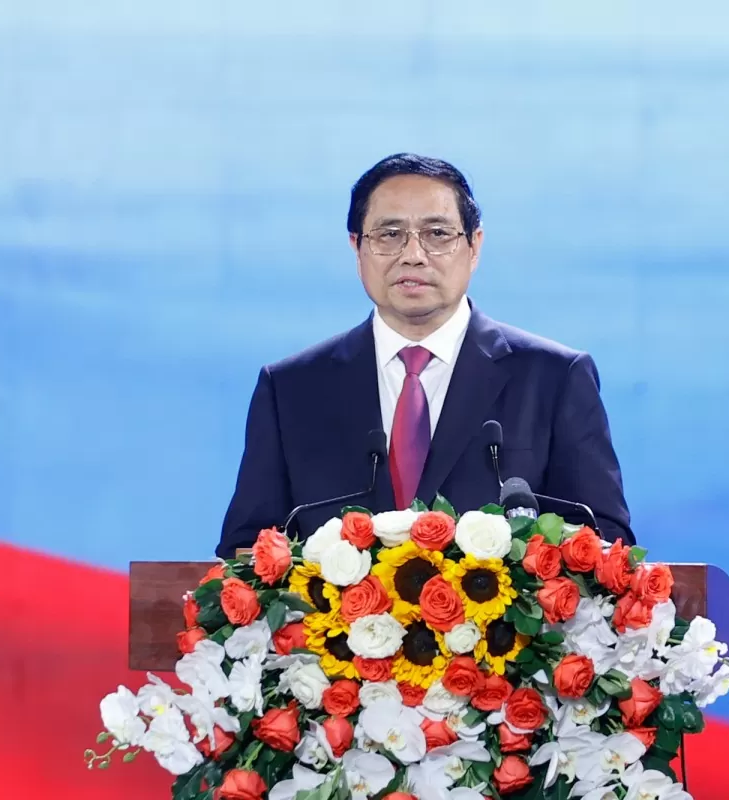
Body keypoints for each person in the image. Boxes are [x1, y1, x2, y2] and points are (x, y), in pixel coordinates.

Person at [216, 153, 633, 557]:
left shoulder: (554, 378)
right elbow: (249, 550)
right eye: (389, 235)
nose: (413, 255)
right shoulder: (292, 389)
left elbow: (603, 543)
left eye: (437, 234)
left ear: (474, 246)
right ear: (357, 249)